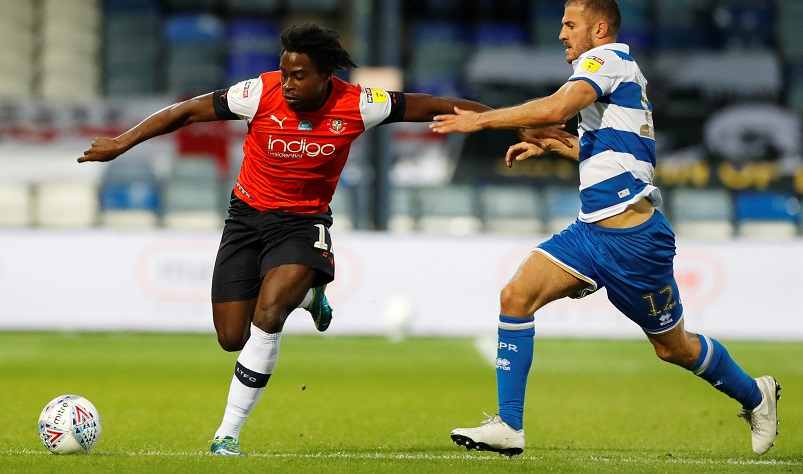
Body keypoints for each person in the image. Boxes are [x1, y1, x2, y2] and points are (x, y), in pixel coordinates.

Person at [78, 23, 495, 457]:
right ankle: (310, 296)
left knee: (268, 315)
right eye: (284, 73)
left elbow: (433, 105)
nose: (288, 84)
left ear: (325, 76)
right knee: (231, 336)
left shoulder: (359, 103)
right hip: (246, 218)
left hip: (302, 223)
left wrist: (508, 123)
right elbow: (186, 112)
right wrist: (122, 142)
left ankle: (226, 435)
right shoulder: (258, 93)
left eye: (298, 75)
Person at [430, 0, 779, 457]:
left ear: (599, 29)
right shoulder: (615, 79)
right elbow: (619, 153)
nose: (561, 34)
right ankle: (509, 425)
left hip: (635, 242)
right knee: (515, 296)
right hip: (590, 233)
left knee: (673, 348)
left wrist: (484, 120)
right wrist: (555, 146)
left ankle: (756, 395)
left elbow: (557, 109)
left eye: (569, 25)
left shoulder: (607, 60)